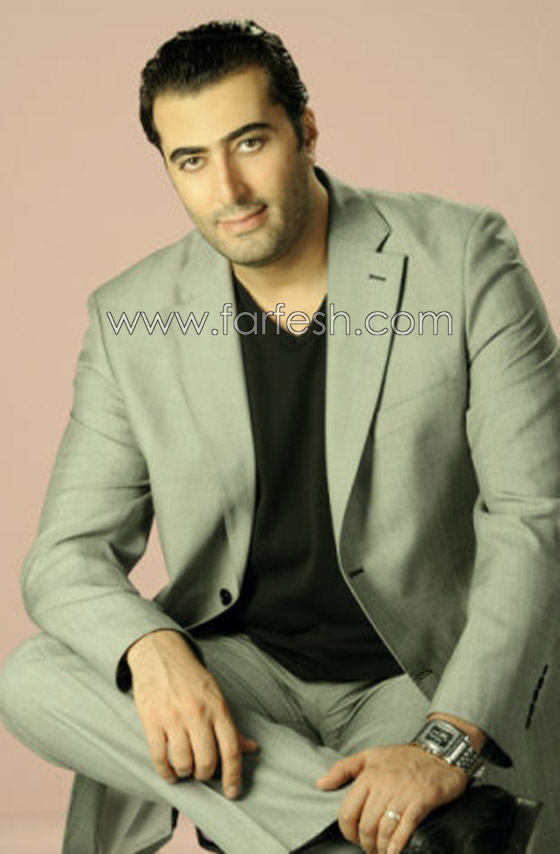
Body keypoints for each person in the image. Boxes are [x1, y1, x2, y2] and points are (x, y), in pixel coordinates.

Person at [0, 18, 558, 854]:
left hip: (420, 673)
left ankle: (302, 819)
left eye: (250, 142)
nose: (227, 188)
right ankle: (380, 832)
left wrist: (447, 741)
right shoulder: (131, 317)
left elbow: (535, 514)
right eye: (191, 160)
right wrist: (153, 648)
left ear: (306, 130)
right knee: (34, 676)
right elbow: (63, 555)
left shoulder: (462, 258)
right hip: (243, 676)